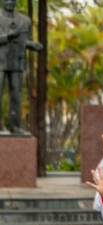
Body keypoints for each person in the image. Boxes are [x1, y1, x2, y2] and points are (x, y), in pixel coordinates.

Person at [0, 0, 41, 134]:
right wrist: (7, 36)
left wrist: (32, 45)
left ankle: (15, 126)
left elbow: (26, 40)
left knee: (16, 95)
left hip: (17, 62)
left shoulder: (25, 20)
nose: (10, 2)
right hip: (0, 61)